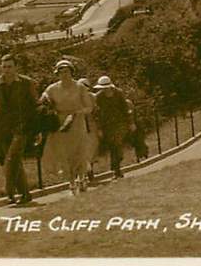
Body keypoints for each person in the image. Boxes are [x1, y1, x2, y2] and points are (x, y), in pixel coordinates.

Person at [0, 53, 38, 205]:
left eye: (10, 66)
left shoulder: (26, 83)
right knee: (13, 160)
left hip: (22, 127)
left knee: (12, 158)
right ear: (1, 67)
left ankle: (10, 193)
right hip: (2, 129)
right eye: (4, 67)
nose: (7, 70)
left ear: (16, 67)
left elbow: (35, 106)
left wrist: (36, 128)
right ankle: (25, 194)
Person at [39, 59, 96, 195]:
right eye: (61, 72)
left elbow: (89, 107)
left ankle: (82, 178)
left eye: (67, 71)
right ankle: (71, 181)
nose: (64, 75)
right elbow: (42, 102)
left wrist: (78, 112)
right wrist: (46, 104)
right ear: (57, 74)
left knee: (80, 152)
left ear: (72, 72)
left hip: (77, 122)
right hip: (61, 124)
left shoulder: (80, 87)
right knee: (65, 154)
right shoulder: (52, 88)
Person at [93, 76, 132, 180]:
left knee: (117, 144)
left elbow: (125, 108)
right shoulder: (98, 97)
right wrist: (99, 128)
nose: (105, 89)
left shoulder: (119, 93)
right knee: (113, 147)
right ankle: (117, 171)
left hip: (120, 123)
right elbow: (96, 114)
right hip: (107, 125)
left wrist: (130, 122)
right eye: (103, 88)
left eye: (106, 87)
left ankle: (116, 168)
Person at [76, 77, 100, 185]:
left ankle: (90, 171)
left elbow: (97, 112)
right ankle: (83, 174)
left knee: (92, 149)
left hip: (91, 126)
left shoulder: (93, 97)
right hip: (79, 127)